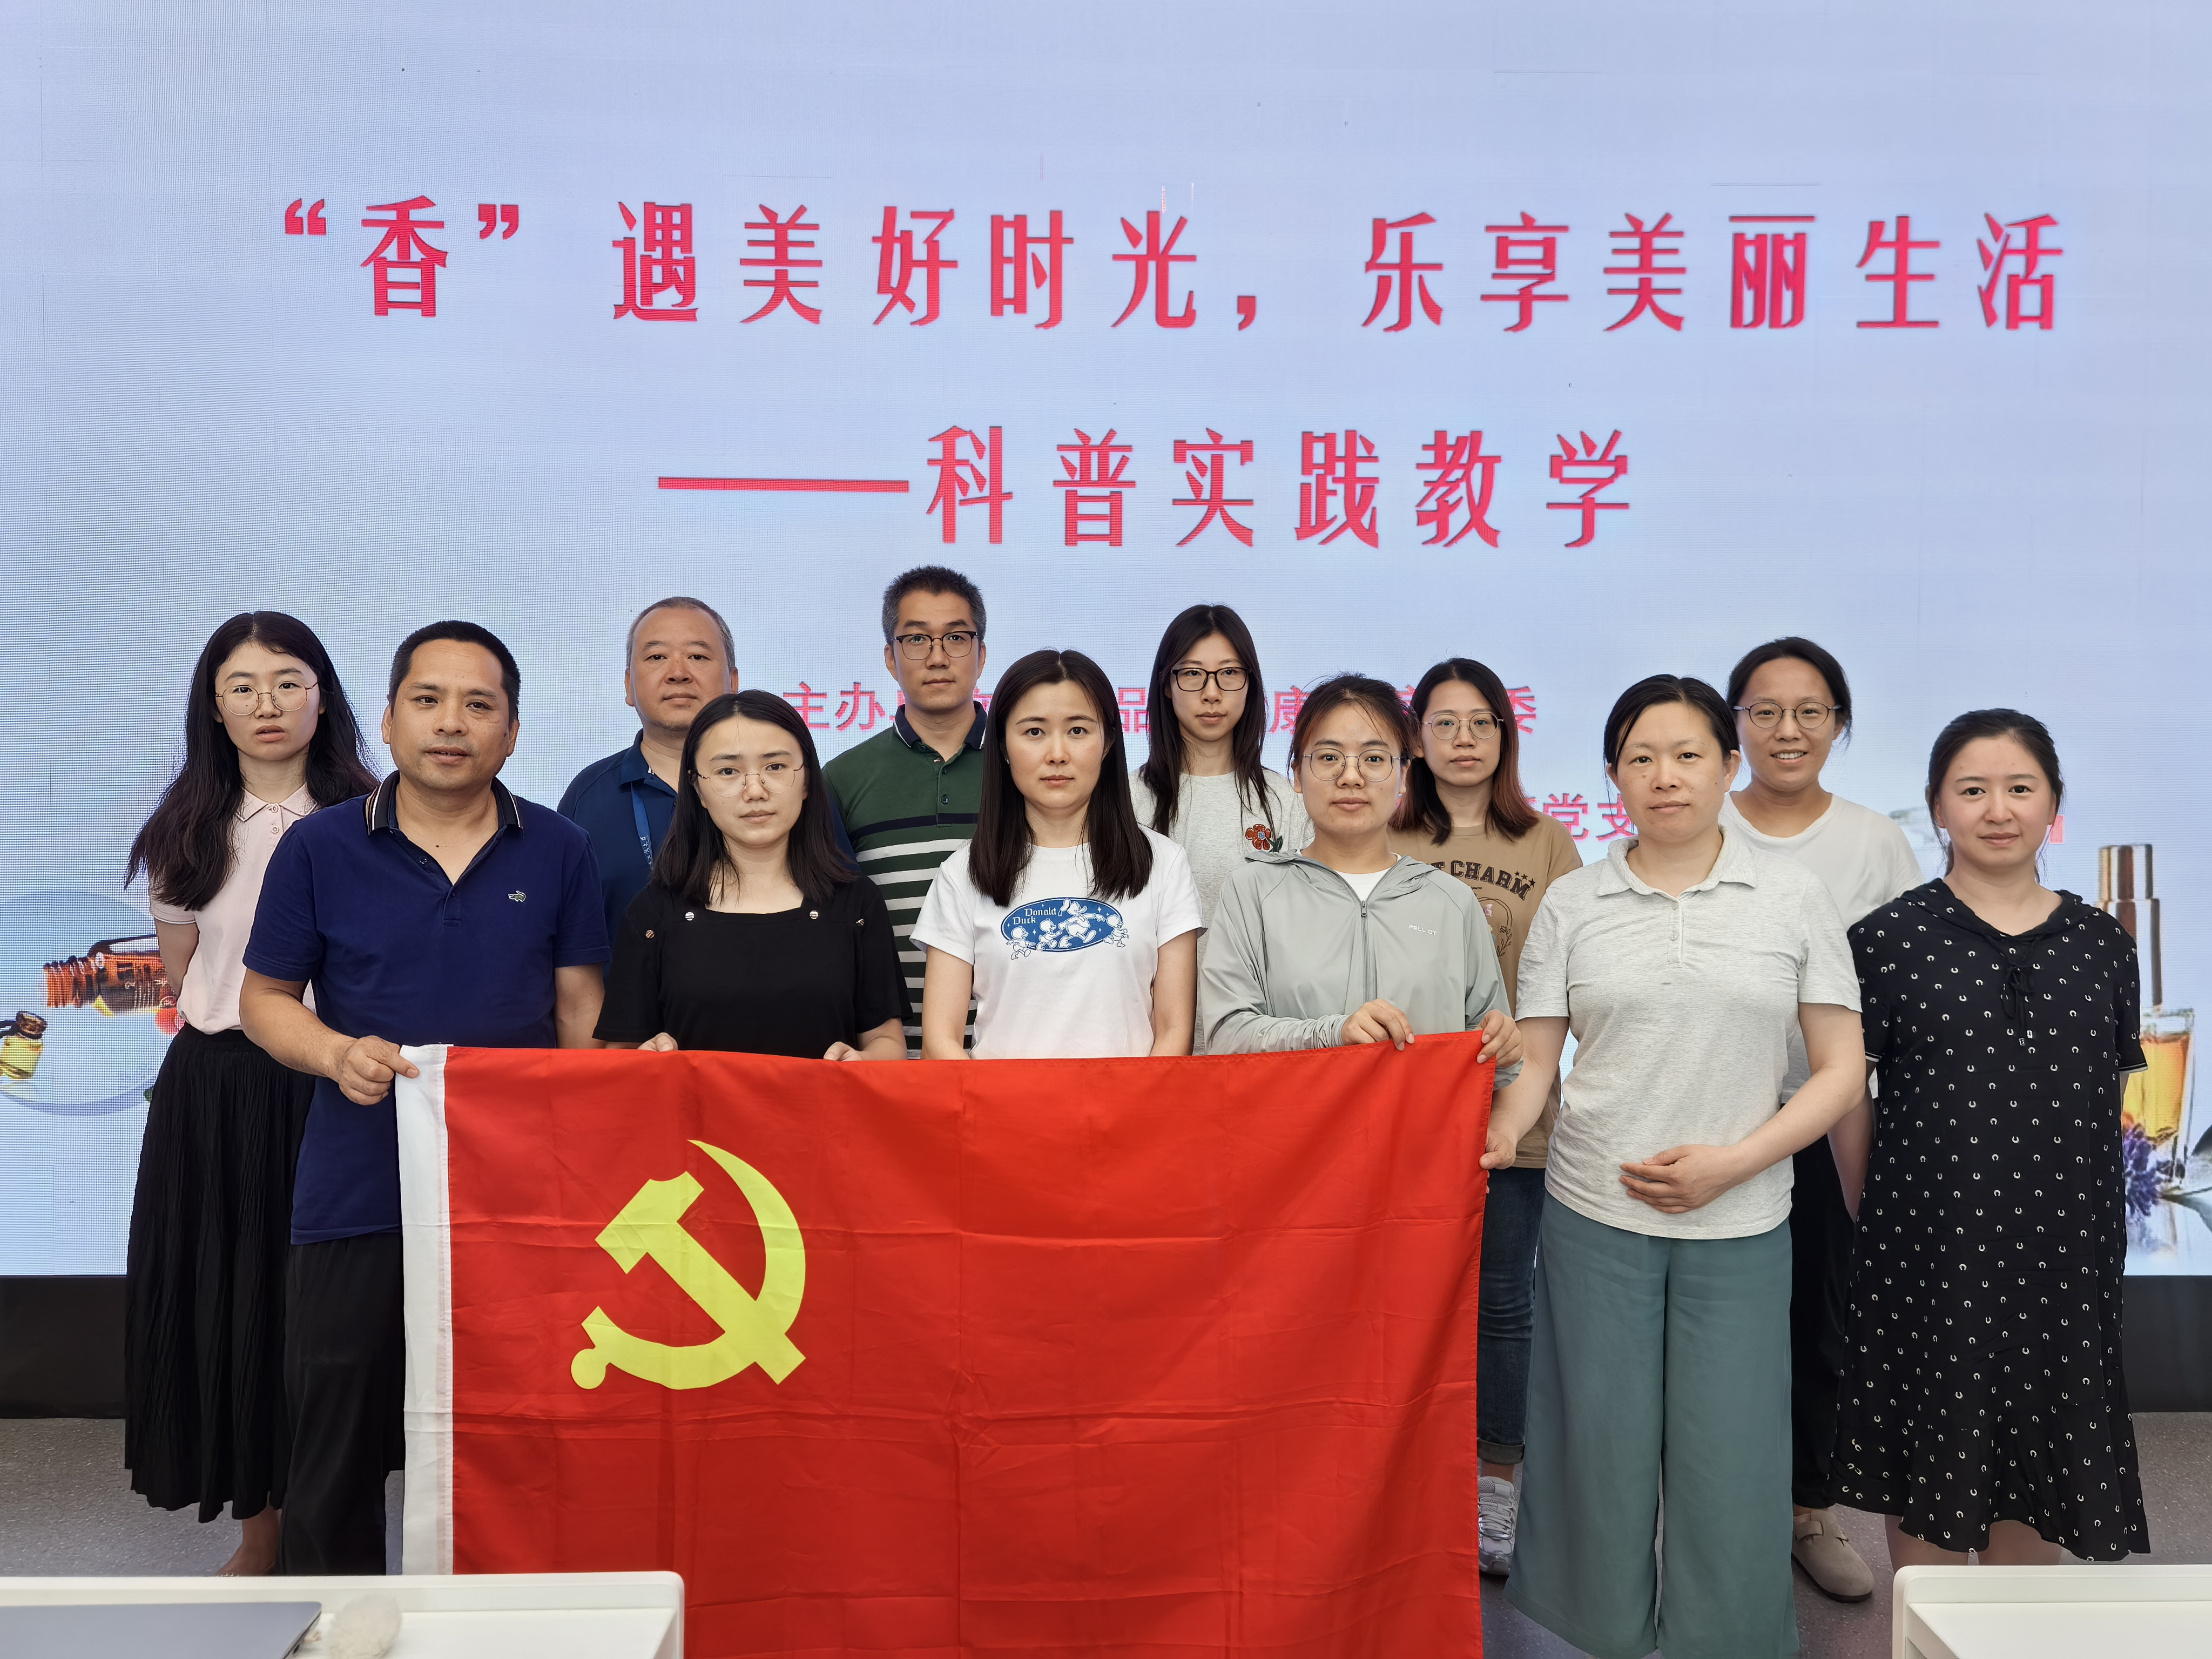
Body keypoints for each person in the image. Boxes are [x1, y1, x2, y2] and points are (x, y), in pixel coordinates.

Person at [1493, 673, 1864, 1659]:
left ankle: (1726, 1639)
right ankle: (1599, 1636)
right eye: (1642, 758)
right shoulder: (1573, 902)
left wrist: (1737, 1161)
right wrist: (1496, 1132)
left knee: (1732, 1453)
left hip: (1742, 1217)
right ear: (1614, 775)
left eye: (1688, 755)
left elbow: (1840, 1069)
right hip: (1593, 1212)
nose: (1666, 776)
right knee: (1596, 1445)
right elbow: (1536, 1065)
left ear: (1729, 766)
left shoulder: (1791, 897)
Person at [240, 621, 609, 1574]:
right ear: (390, 718)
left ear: (512, 732)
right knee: (337, 1442)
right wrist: (335, 1054)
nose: (452, 723)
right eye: (429, 700)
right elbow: (264, 1001)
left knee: (520, 1436)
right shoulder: (320, 847)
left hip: (515, 1200)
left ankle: (510, 1625)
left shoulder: (560, 848)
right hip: (358, 1187)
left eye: (479, 705)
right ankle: (333, 1622)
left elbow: (580, 1015)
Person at [1832, 710, 2150, 1567]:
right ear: (1938, 806)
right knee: (1928, 1457)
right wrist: (1877, 1208)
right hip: (1928, 1246)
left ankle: (2019, 1625)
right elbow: (1848, 1094)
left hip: (2064, 1252)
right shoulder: (1886, 940)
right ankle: (1928, 1625)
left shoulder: (2103, 944)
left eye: (2020, 788)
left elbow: (2110, 1096)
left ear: (2054, 805)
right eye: (1972, 790)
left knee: (2044, 1459)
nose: (1998, 810)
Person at [122, 612, 379, 1575]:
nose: (266, 703)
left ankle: (340, 1527)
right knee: (238, 1306)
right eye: (242, 686)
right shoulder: (185, 827)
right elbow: (185, 971)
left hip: (338, 1080)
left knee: (329, 1317)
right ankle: (263, 1535)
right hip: (220, 1093)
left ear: (324, 695)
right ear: (214, 706)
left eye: (287, 681)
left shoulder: (374, 814)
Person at [1719, 636, 1925, 1601]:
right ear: (1734, 726)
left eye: (1810, 711)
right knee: (1720, 1328)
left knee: (1821, 1322)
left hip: (1829, 1116)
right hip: (1708, 1110)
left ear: (1839, 723)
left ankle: (1809, 1510)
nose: (1787, 729)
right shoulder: (1696, 818)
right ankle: (1716, 1514)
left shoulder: (1874, 843)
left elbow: (1909, 985)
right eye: (1764, 711)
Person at [1385, 657, 1580, 1579]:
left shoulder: (1547, 844)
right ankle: (1400, 1481)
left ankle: (1494, 1482)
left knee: (1503, 1304)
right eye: (1445, 722)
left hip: (1512, 1112)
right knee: (1395, 1302)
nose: (1464, 740)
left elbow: (1555, 989)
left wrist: (1514, 1095)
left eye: (1482, 723)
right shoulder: (1381, 832)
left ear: (1506, 735)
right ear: (1416, 738)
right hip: (1392, 1118)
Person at [1198, 672, 1521, 1077]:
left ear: (1404, 777)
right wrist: (1333, 1034)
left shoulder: (1451, 901)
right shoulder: (1253, 891)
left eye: (1374, 759)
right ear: (1297, 775)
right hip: (1298, 1120)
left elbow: (1491, 1060)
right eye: (1329, 757)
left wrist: (1503, 1045)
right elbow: (1226, 1038)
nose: (1351, 777)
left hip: (1420, 1121)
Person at [913, 649, 1201, 1060]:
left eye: (1078, 730)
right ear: (1003, 745)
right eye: (1034, 732)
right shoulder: (963, 873)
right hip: (1000, 1102)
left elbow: (1174, 1032)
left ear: (1108, 742)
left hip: (1129, 1102)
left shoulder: (1164, 865)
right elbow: (940, 1041)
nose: (1057, 754)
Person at [597, 690, 908, 1060]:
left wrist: (863, 1062)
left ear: (807, 780)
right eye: (728, 771)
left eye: (775, 767)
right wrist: (646, 1055)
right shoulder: (653, 912)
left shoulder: (856, 903)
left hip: (824, 1101)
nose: (755, 790)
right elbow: (621, 1053)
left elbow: (887, 1042)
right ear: (697, 789)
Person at [558, 595, 854, 948]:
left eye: (697, 657)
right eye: (657, 657)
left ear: (733, 680)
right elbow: (565, 940)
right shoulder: (587, 797)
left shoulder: (788, 784)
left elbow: (844, 910)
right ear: (628, 686)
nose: (678, 673)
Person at [825, 566, 991, 1053]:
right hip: (888, 1056)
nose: (937, 657)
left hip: (1006, 1054)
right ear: (890, 658)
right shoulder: (842, 777)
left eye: (956, 638)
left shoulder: (1024, 766)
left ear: (981, 655)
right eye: (916, 639)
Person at [1128, 603, 1311, 943]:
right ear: (1167, 685)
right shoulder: (1125, 800)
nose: (1211, 693)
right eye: (1192, 673)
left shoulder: (1289, 801)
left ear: (1250, 683)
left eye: (1229, 672)